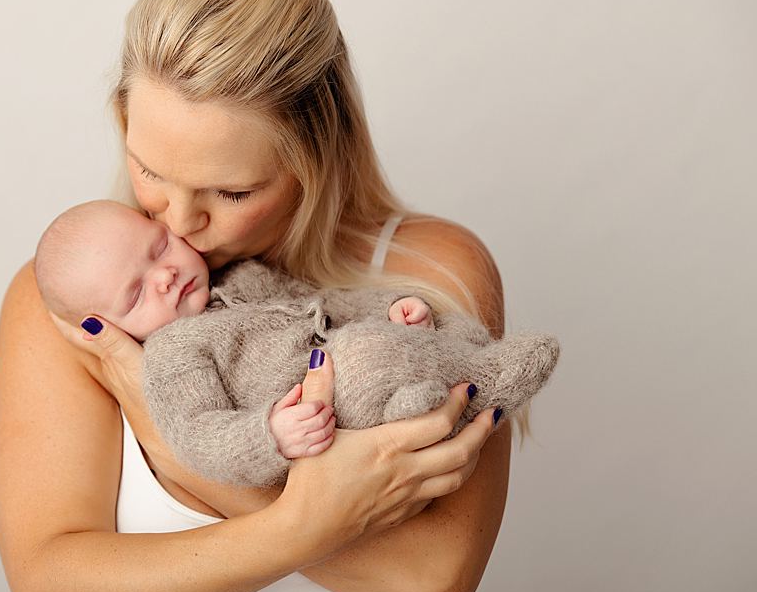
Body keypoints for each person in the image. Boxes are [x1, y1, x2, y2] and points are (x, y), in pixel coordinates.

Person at [0, 0, 508, 592]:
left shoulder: (431, 270)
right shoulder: (72, 303)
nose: (177, 223)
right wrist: (302, 524)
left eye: (230, 193)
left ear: (314, 160)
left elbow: (433, 581)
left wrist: (177, 448)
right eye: (150, 170)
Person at [32, 199, 558, 488]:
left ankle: (430, 393)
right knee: (364, 357)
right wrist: (271, 436)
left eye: (159, 247)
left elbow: (321, 301)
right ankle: (489, 379)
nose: (165, 275)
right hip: (317, 411)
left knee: (439, 326)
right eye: (136, 292)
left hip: (354, 354)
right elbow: (199, 435)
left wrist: (392, 311)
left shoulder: (243, 275)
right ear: (107, 326)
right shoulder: (172, 357)